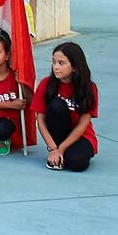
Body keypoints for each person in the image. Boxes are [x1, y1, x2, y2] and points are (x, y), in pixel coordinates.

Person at [33, 42, 98, 171]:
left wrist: (61, 149)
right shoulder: (46, 84)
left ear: (74, 67)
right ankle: (58, 154)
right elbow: (40, 120)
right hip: (58, 136)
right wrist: (53, 148)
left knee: (77, 163)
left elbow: (83, 124)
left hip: (81, 135)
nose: (55, 67)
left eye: (61, 63)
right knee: (56, 105)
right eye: (54, 62)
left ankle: (65, 154)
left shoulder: (88, 87)